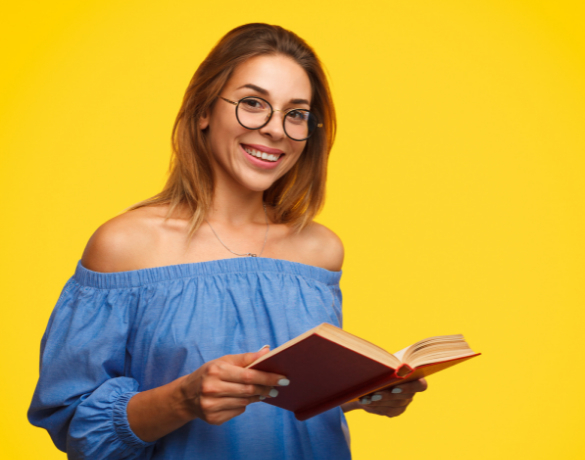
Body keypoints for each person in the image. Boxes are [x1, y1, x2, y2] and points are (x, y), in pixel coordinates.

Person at [28, 23, 427, 459]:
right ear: (203, 111)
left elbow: (286, 402)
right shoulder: (125, 245)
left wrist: (366, 393)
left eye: (296, 114)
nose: (276, 130)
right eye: (253, 104)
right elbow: (75, 426)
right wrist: (183, 398)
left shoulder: (320, 251)